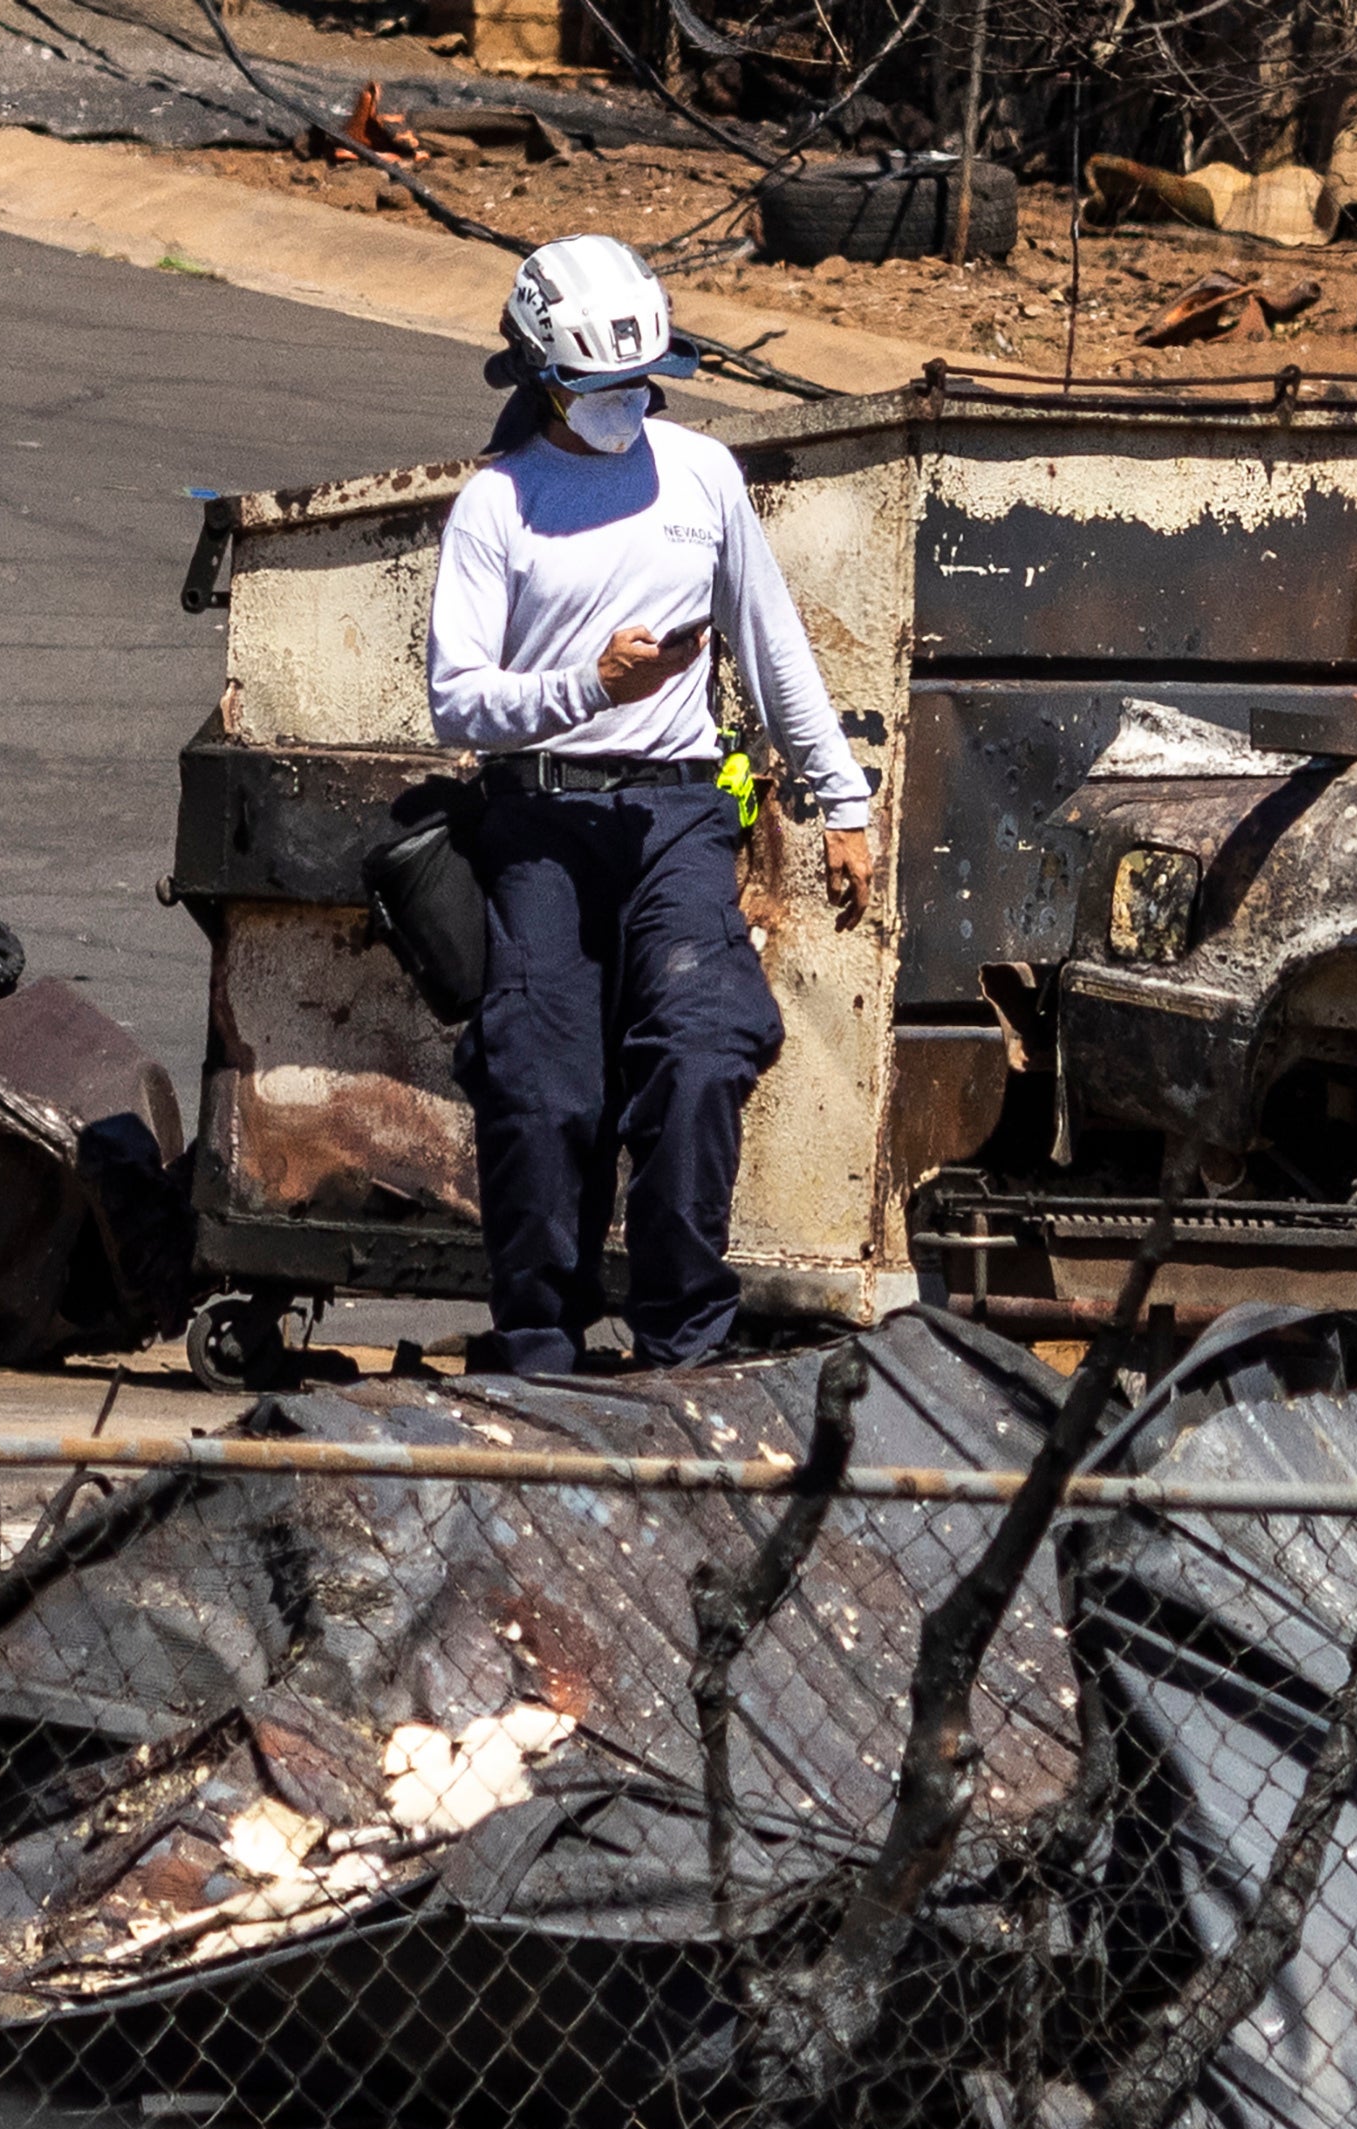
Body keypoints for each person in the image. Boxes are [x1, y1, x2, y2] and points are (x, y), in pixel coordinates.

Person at [426, 235, 879, 1374]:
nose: (621, 408)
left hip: (675, 815)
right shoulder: (497, 504)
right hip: (541, 825)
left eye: (637, 385)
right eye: (593, 391)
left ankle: (686, 1343)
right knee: (540, 1085)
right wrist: (591, 685)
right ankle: (540, 1343)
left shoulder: (702, 476)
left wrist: (842, 800)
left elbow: (772, 650)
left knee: (699, 1050)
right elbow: (456, 702)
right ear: (539, 379)